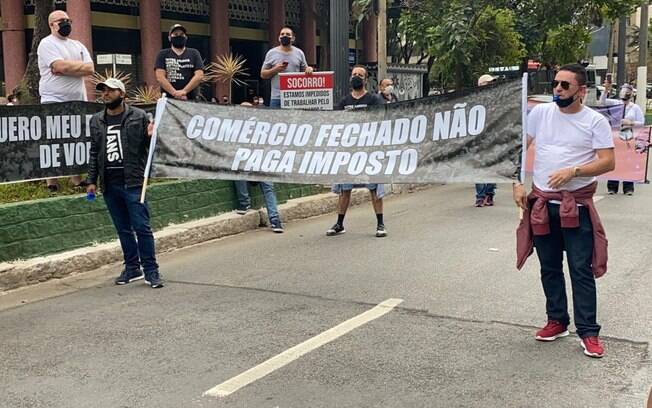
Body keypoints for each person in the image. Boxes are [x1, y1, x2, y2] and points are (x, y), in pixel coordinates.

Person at [514, 64, 615, 358]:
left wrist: (574, 171)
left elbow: (608, 162)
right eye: (555, 84)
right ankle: (557, 320)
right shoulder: (540, 113)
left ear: (581, 91)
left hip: (577, 206)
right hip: (543, 204)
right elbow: (521, 146)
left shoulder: (594, 121)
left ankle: (589, 332)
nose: (557, 89)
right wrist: (516, 184)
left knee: (580, 269)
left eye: (564, 85)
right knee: (549, 266)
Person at [86, 78, 163, 288]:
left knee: (142, 228)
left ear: (122, 94)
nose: (106, 94)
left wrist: (151, 136)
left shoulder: (138, 116)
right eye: (103, 91)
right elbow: (94, 152)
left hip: (134, 182)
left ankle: (151, 270)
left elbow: (151, 147)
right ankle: (132, 267)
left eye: (110, 91)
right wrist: (91, 180)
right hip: (110, 185)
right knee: (123, 229)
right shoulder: (96, 121)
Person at [327, 65, 387, 238]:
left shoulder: (374, 100)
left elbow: (380, 121)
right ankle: (339, 223)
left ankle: (380, 224)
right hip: (349, 152)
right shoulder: (344, 102)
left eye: (360, 75)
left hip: (368, 151)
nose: (356, 77)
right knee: (345, 189)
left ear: (365, 80)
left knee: (374, 188)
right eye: (354, 74)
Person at [38, 10, 94, 193]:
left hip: (77, 100)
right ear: (51, 24)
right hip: (53, 99)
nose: (66, 23)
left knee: (75, 140)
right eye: (61, 21)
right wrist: (74, 68)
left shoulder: (77, 45)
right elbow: (58, 66)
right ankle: (51, 182)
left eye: (68, 20)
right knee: (53, 140)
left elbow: (90, 68)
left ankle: (76, 179)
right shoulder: (46, 44)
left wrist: (66, 68)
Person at [235, 101, 284, 233]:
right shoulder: (237, 127)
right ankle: (245, 204)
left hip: (261, 162)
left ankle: (274, 219)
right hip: (247, 163)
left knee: (268, 188)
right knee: (237, 172)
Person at [599, 82, 644, 195]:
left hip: (628, 136)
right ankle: (612, 187)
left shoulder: (635, 107)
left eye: (627, 92)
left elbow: (641, 123)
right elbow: (602, 102)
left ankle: (628, 187)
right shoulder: (616, 104)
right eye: (623, 91)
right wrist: (606, 91)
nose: (625, 93)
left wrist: (631, 123)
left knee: (628, 162)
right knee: (615, 160)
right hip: (615, 136)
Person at [260, 26, 313, 108]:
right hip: (277, 98)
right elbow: (263, 74)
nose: (284, 36)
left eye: (288, 34)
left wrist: (309, 69)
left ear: (293, 38)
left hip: (295, 97)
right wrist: (275, 69)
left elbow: (305, 70)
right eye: (282, 34)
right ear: (279, 38)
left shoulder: (299, 53)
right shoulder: (271, 53)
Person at [155, 24, 204, 101]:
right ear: (169, 38)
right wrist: (174, 93)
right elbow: (160, 77)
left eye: (181, 34)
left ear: (186, 37)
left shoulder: (194, 53)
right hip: (168, 100)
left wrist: (184, 91)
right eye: (176, 34)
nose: (179, 36)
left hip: (191, 99)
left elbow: (199, 75)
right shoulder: (163, 54)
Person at [474, 74, 499, 207]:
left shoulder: (497, 100)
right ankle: (480, 196)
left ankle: (489, 194)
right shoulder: (474, 101)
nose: (491, 85)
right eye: (488, 83)